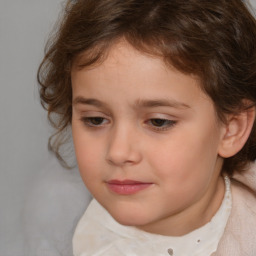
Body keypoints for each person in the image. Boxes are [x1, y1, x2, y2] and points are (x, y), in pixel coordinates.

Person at [38, 0, 256, 255]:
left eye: (158, 122)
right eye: (95, 119)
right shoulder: (79, 223)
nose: (118, 152)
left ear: (231, 128)